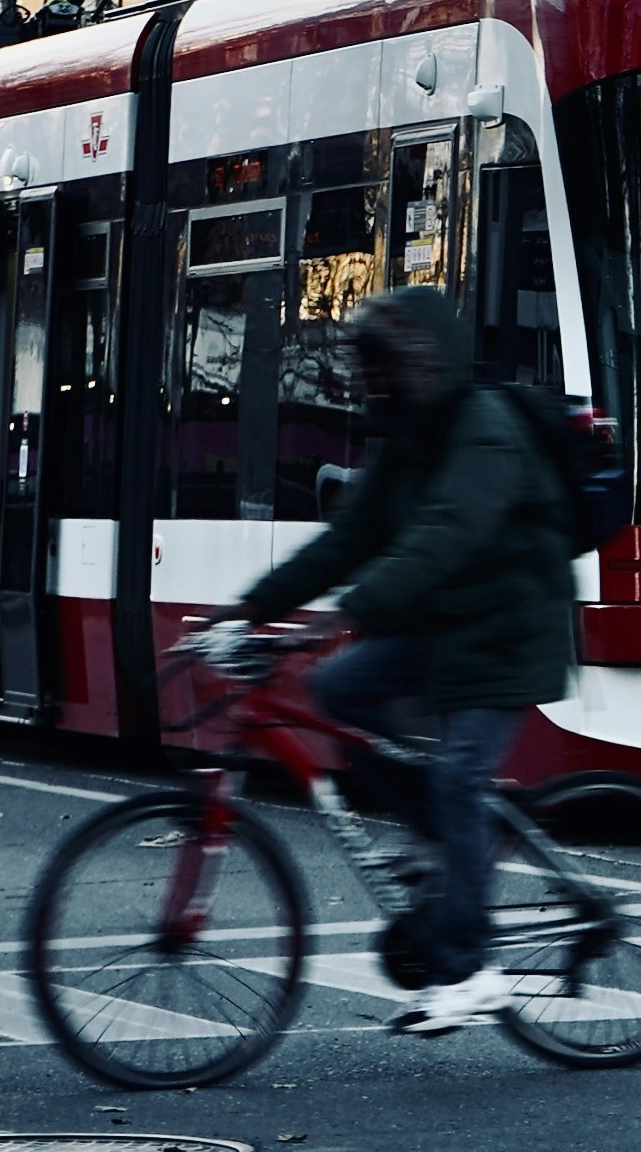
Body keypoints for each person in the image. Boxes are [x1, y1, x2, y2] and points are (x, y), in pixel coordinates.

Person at [235, 286, 580, 1034]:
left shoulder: (484, 429)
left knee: (460, 776)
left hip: (509, 630)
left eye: (385, 366)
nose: (372, 382)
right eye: (369, 368)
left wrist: (346, 613)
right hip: (441, 626)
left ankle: (471, 968)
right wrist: (250, 608)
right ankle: (447, 840)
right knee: (334, 687)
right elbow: (348, 538)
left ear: (427, 363)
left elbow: (445, 536)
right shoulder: (404, 437)